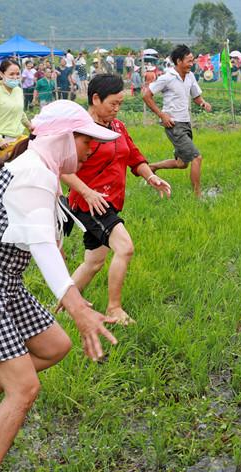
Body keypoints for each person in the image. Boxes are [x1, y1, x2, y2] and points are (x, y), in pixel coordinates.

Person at [0, 100, 119, 472]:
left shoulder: (40, 168)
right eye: (87, 140)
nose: (92, 149)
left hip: (2, 283)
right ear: (63, 139)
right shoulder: (33, 172)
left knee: (56, 345)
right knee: (23, 389)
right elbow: (41, 247)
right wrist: (80, 309)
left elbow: (37, 237)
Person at [61, 74, 171, 325]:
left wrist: (150, 176)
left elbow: (133, 156)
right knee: (125, 247)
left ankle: (60, 308)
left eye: (120, 104)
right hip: (91, 203)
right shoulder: (81, 129)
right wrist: (87, 192)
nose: (116, 109)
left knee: (93, 262)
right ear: (96, 98)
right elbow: (63, 168)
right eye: (113, 103)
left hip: (111, 200)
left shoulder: (118, 127)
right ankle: (114, 309)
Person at [142, 45, 212, 198]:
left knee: (182, 163)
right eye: (189, 61)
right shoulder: (167, 77)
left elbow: (196, 96)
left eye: (192, 60)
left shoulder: (190, 76)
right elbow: (147, 95)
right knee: (196, 157)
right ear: (179, 61)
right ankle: (197, 196)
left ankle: (152, 167)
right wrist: (162, 115)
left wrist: (203, 103)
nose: (191, 63)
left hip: (186, 123)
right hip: (174, 125)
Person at [0, 59, 33, 171]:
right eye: (11, 74)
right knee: (2, 184)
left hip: (18, 140)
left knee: (22, 179)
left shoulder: (17, 90)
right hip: (2, 144)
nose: (15, 77)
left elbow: (19, 111)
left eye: (17, 74)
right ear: (2, 74)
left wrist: (29, 126)